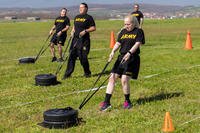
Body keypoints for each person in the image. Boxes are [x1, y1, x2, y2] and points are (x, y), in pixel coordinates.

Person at [100, 15, 145, 111]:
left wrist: (129, 53)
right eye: (125, 24)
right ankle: (107, 102)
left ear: (133, 23)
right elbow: (118, 43)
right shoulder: (123, 32)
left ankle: (127, 101)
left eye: (128, 24)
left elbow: (137, 44)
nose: (126, 26)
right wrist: (112, 52)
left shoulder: (138, 31)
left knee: (124, 79)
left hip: (132, 58)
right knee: (112, 78)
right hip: (121, 57)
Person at [63, 3, 96, 79]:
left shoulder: (89, 17)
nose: (80, 8)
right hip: (75, 40)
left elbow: (93, 28)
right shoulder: (77, 17)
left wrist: (85, 31)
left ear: (86, 8)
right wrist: (72, 31)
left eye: (82, 7)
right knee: (71, 56)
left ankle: (87, 73)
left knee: (83, 57)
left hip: (84, 41)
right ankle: (67, 74)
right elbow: (75, 26)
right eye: (79, 7)